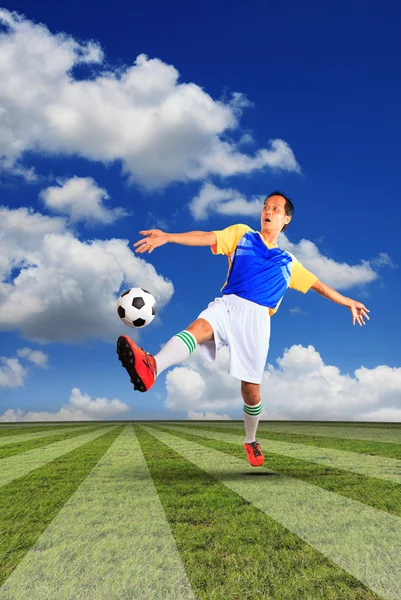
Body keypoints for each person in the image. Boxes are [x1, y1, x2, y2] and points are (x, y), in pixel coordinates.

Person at [116, 191, 370, 467]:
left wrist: (348, 302)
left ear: (286, 218)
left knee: (251, 391)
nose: (268, 211)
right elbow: (208, 237)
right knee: (199, 327)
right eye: (265, 207)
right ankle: (152, 366)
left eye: (275, 208)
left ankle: (250, 440)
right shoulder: (242, 234)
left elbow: (320, 286)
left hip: (257, 321)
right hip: (229, 303)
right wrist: (168, 236)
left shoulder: (289, 263)